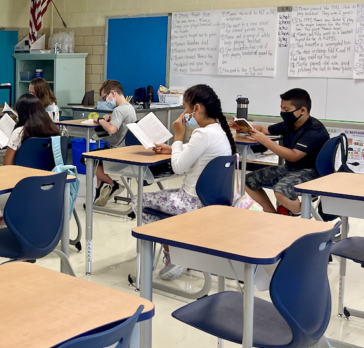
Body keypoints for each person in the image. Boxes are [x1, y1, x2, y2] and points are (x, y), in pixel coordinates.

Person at [133, 84, 235, 280]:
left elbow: (178, 167)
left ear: (197, 108)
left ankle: (174, 252)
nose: (184, 113)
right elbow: (195, 151)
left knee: (138, 201)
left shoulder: (202, 133)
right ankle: (178, 245)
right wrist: (172, 148)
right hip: (211, 201)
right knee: (163, 210)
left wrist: (178, 135)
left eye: (185, 107)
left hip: (191, 202)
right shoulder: (219, 131)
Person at [237, 88, 329, 216]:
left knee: (281, 191)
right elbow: (263, 129)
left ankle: (299, 212)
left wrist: (264, 141)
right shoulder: (289, 124)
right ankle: (273, 215)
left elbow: (293, 156)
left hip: (310, 172)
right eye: (281, 109)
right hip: (290, 169)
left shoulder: (314, 130)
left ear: (302, 110)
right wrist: (244, 127)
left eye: (286, 110)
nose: (282, 113)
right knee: (248, 181)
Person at [0, 94, 61, 229]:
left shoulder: (20, 132)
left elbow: (7, 164)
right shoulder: (54, 130)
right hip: (49, 177)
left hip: (22, 178)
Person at [93, 80, 136, 206]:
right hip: (128, 150)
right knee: (97, 158)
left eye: (105, 97)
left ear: (112, 93)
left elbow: (112, 129)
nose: (105, 101)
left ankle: (114, 185)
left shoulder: (119, 110)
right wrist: (110, 117)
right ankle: (99, 195)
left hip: (117, 152)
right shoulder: (129, 107)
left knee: (88, 159)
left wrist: (101, 120)